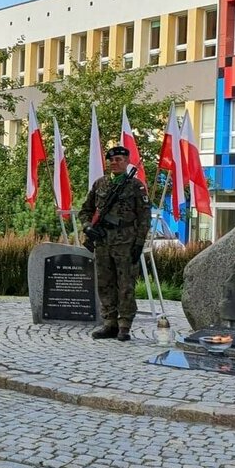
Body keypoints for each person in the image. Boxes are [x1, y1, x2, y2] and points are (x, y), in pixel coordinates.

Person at [78, 146, 150, 342]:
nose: (114, 163)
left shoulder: (136, 186)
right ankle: (109, 322)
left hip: (125, 243)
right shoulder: (100, 184)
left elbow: (145, 217)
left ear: (127, 162)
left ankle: (124, 325)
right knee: (105, 283)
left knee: (125, 284)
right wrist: (87, 228)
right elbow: (85, 210)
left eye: (119, 159)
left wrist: (139, 243)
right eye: (111, 160)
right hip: (102, 241)